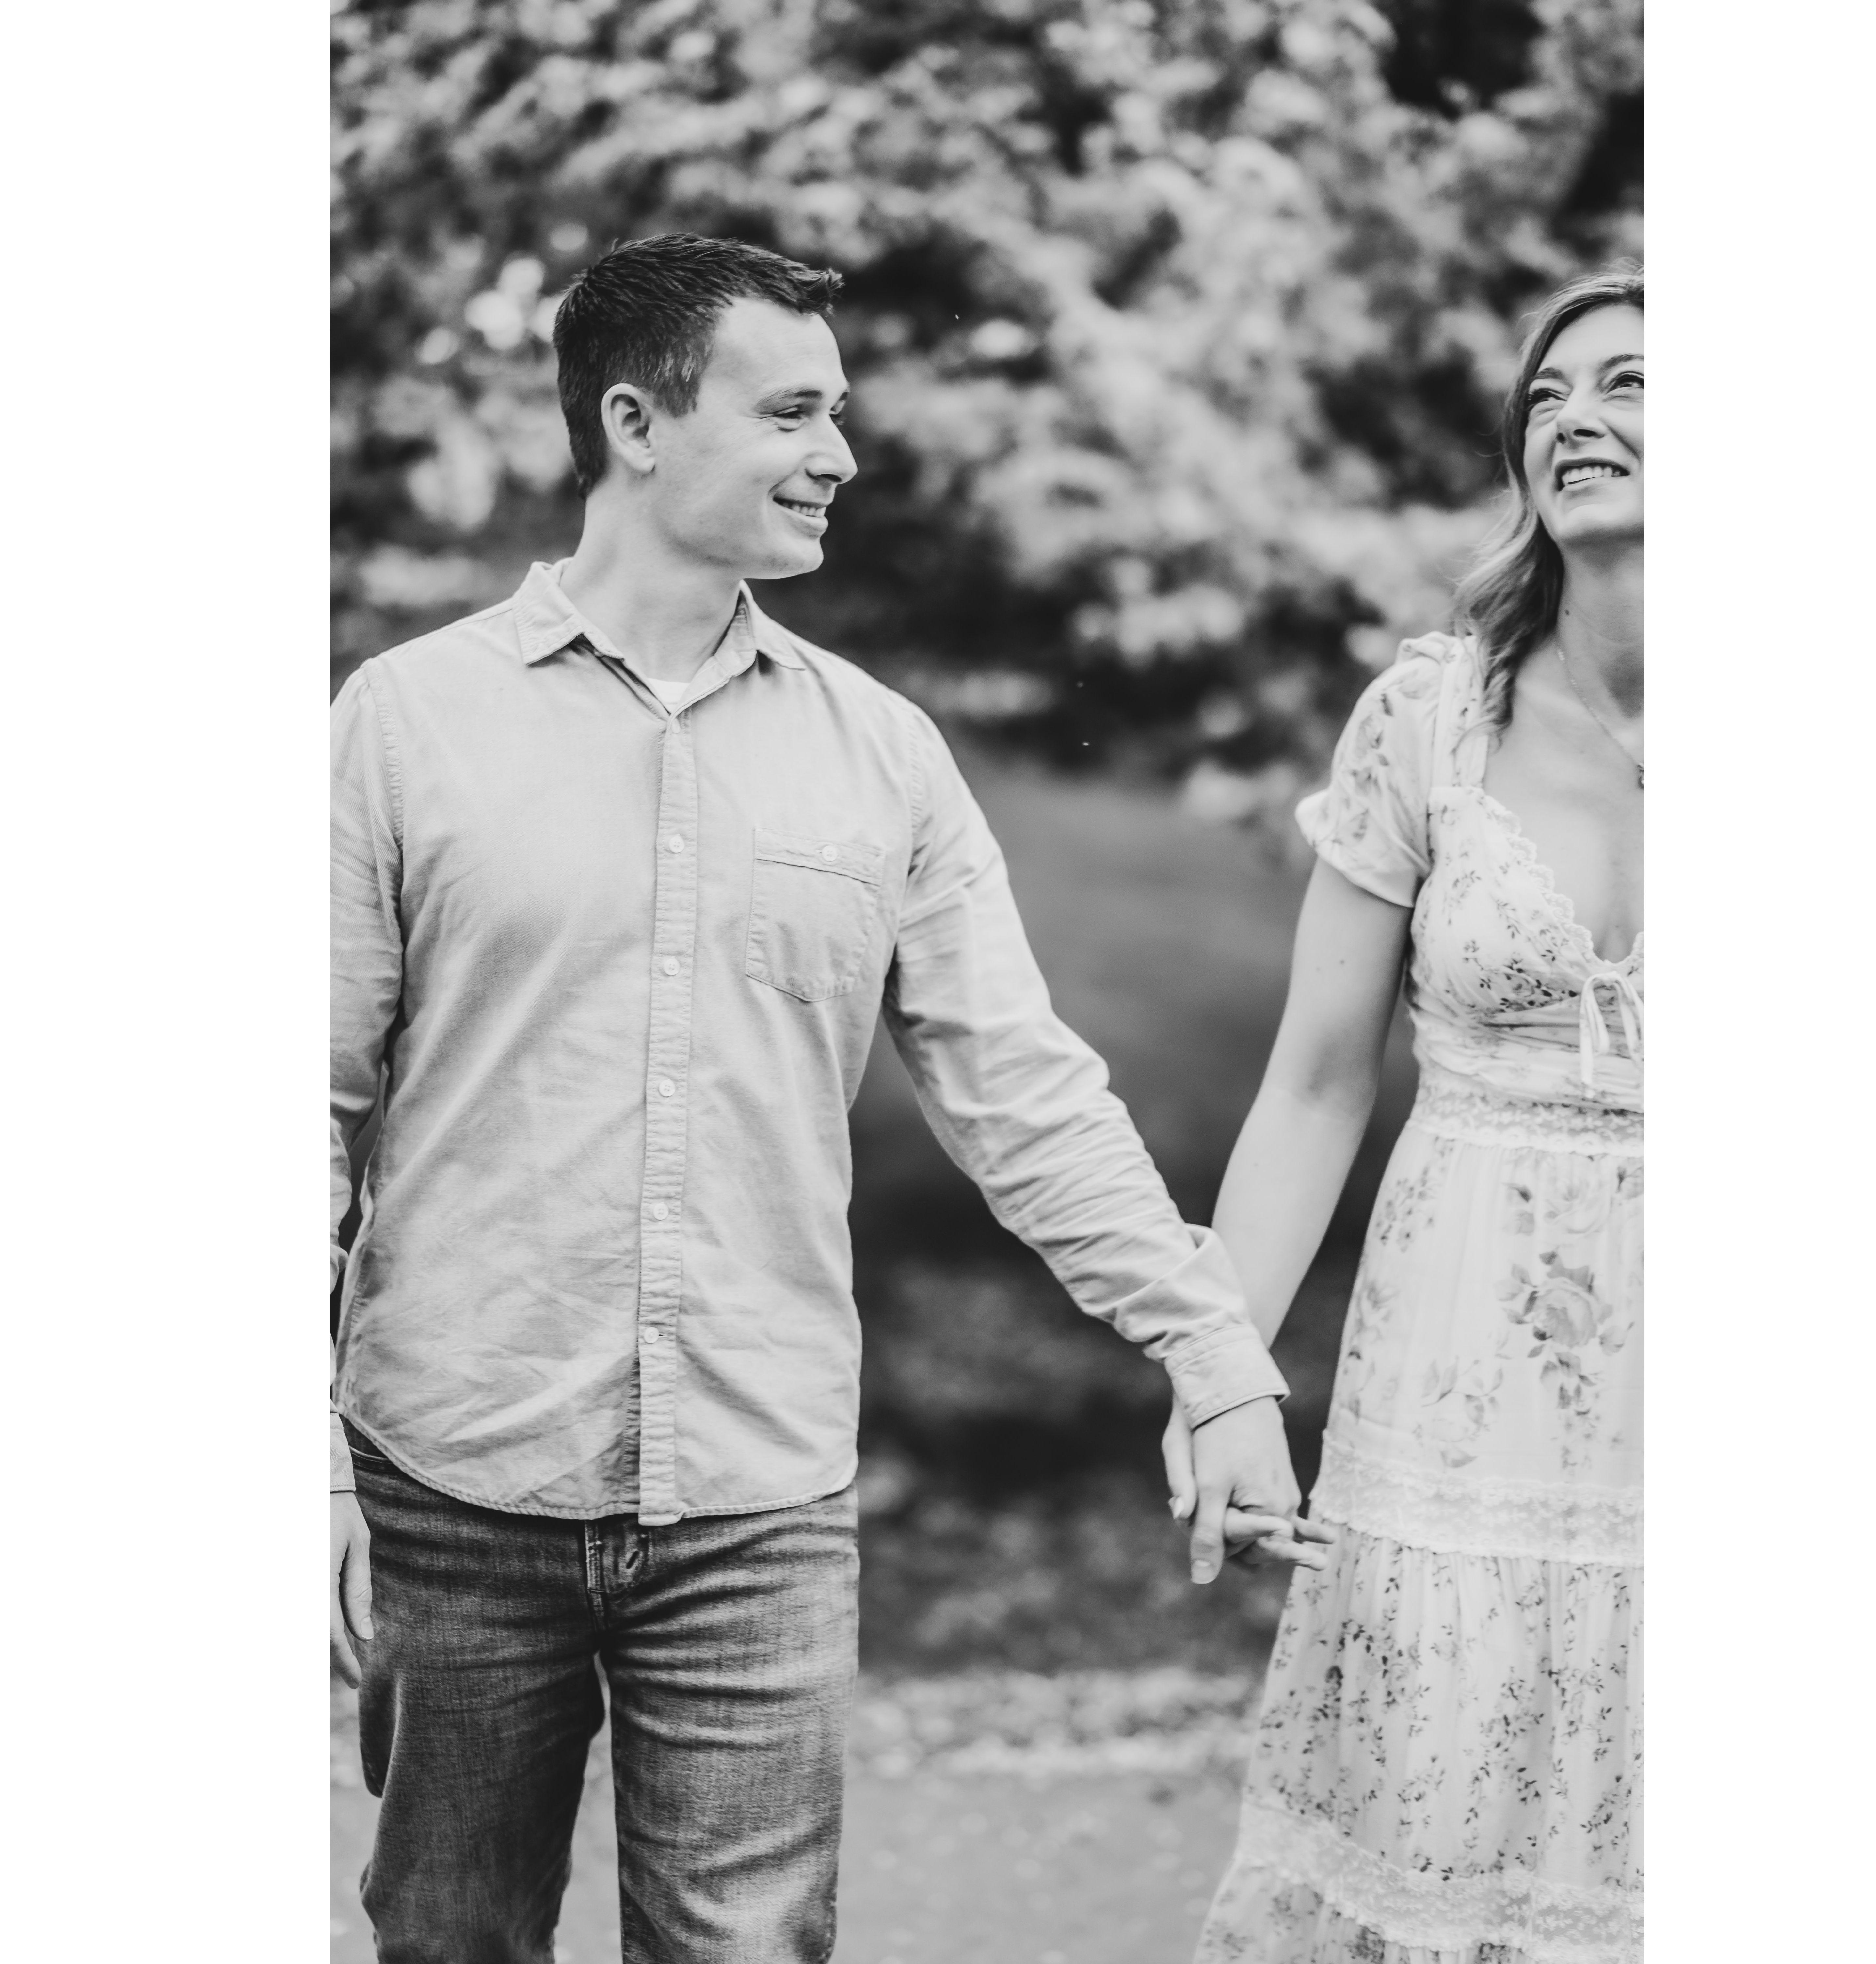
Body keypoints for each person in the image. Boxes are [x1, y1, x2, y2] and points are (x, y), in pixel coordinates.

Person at [329, 231, 1318, 1964]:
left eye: (836, 412)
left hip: (759, 1505)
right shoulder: (406, 724)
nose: (841, 454)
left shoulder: (882, 752)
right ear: (637, 423)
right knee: (449, 1942)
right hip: (450, 1485)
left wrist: (1214, 1352)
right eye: (791, 412)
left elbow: (1023, 1090)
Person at [1169, 266, 1645, 1963]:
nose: (1578, 417)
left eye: (1635, 383)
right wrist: (1221, 1371)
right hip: (1456, 1396)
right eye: (1549, 395)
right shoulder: (1431, 720)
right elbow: (1315, 1084)